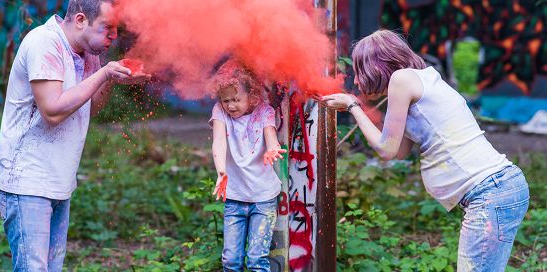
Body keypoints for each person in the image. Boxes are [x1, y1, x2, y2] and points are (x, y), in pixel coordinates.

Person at [322, 29, 529, 272]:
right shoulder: (420, 81)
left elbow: (386, 149)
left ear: (375, 65)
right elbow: (397, 152)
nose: (356, 81)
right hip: (496, 189)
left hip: (489, 192)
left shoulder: (401, 80)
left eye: (359, 71)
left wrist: (353, 106)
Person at [0, 0, 144, 272]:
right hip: (26, 181)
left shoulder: (90, 55)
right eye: (106, 27)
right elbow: (52, 110)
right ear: (80, 20)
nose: (113, 36)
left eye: (115, 30)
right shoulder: (44, 42)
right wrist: (103, 75)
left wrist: (111, 77)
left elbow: (89, 108)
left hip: (58, 182)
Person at [210, 59, 285, 272]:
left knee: (256, 261)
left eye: (236, 99)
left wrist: (272, 149)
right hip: (234, 197)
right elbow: (219, 140)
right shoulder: (220, 111)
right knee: (231, 261)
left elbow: (270, 135)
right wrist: (221, 170)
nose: (230, 105)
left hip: (263, 199)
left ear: (251, 95)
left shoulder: (264, 111)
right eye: (226, 101)